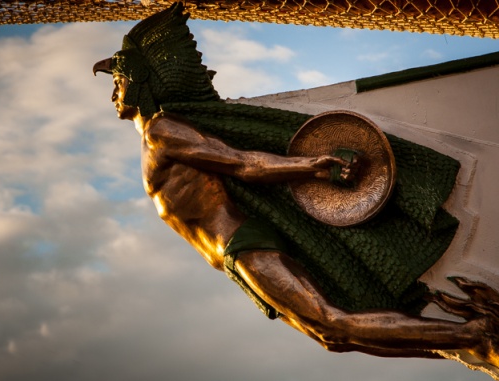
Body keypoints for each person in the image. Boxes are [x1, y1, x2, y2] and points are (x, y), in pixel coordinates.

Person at [93, 2, 499, 367]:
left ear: (142, 81)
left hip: (242, 242)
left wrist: (313, 167)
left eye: (120, 79)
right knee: (332, 336)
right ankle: (469, 341)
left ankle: (477, 335)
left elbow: (242, 163)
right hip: (237, 254)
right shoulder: (161, 135)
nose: (115, 91)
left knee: (332, 325)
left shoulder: (162, 130)